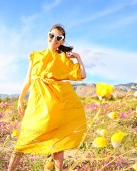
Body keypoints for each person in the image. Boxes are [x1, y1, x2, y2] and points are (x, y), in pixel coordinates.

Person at [8, 24, 87, 171]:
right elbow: (28, 79)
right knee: (25, 139)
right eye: (52, 35)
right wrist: (20, 99)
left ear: (62, 41)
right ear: (47, 36)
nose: (54, 39)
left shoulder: (63, 58)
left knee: (58, 141)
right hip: (37, 104)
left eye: (59, 38)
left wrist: (78, 58)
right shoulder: (35, 55)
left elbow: (82, 75)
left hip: (55, 105)